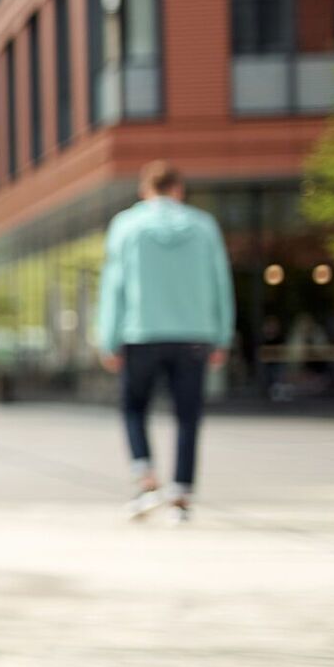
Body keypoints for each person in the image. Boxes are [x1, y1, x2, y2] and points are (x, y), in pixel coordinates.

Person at [94, 161, 234, 525]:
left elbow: (114, 285)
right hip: (194, 336)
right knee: (188, 416)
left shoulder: (127, 225)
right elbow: (220, 282)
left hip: (140, 333)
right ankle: (181, 497)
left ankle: (146, 481)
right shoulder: (203, 226)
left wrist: (108, 338)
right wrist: (222, 335)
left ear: (145, 190)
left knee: (133, 408)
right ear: (178, 190)